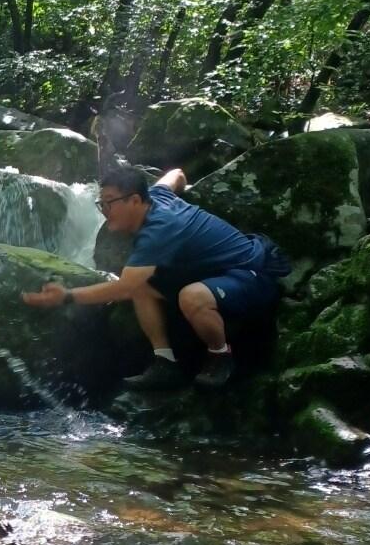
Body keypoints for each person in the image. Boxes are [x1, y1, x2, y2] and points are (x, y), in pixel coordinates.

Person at [21, 164, 288, 389]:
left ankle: (220, 356)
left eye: (109, 202)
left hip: (252, 275)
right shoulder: (157, 196)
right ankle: (165, 363)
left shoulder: (160, 230)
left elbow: (123, 288)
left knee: (190, 297)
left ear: (135, 201)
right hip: (215, 275)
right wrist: (184, 184)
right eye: (101, 203)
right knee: (144, 286)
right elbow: (177, 174)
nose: (103, 210)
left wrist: (66, 296)